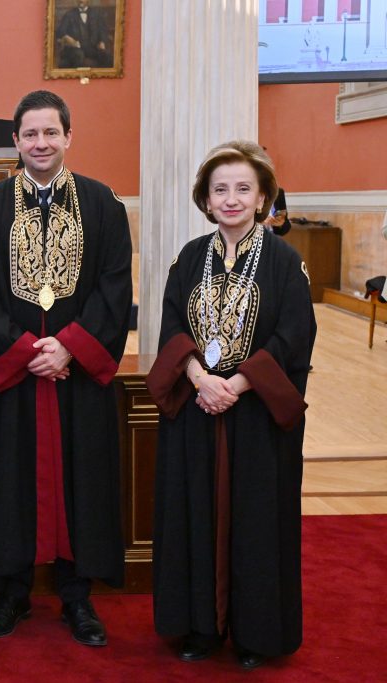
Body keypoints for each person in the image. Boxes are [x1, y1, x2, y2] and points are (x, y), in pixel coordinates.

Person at [0, 90, 132, 644]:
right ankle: (12, 593)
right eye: (30, 134)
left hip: (76, 378)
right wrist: (26, 354)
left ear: (67, 137)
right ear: (15, 140)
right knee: (10, 482)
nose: (41, 143)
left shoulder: (103, 203)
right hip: (16, 379)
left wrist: (69, 348)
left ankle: (77, 596)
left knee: (83, 479)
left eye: (50, 132)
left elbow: (114, 287)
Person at [146, 141, 316, 670]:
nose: (232, 198)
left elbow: (293, 337)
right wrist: (198, 377)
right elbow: (171, 325)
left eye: (244, 188)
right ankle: (198, 626)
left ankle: (254, 634)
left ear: (263, 196)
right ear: (206, 198)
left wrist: (236, 385)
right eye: (221, 189)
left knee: (256, 522)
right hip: (198, 410)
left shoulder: (287, 262)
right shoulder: (188, 258)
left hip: (257, 417)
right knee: (193, 516)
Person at [56, 0, 113, 69]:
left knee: (107, 57)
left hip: (92, 48)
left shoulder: (96, 14)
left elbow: (103, 31)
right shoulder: (69, 15)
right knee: (78, 55)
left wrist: (102, 41)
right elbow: (60, 32)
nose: (80, 0)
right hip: (74, 48)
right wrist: (66, 37)